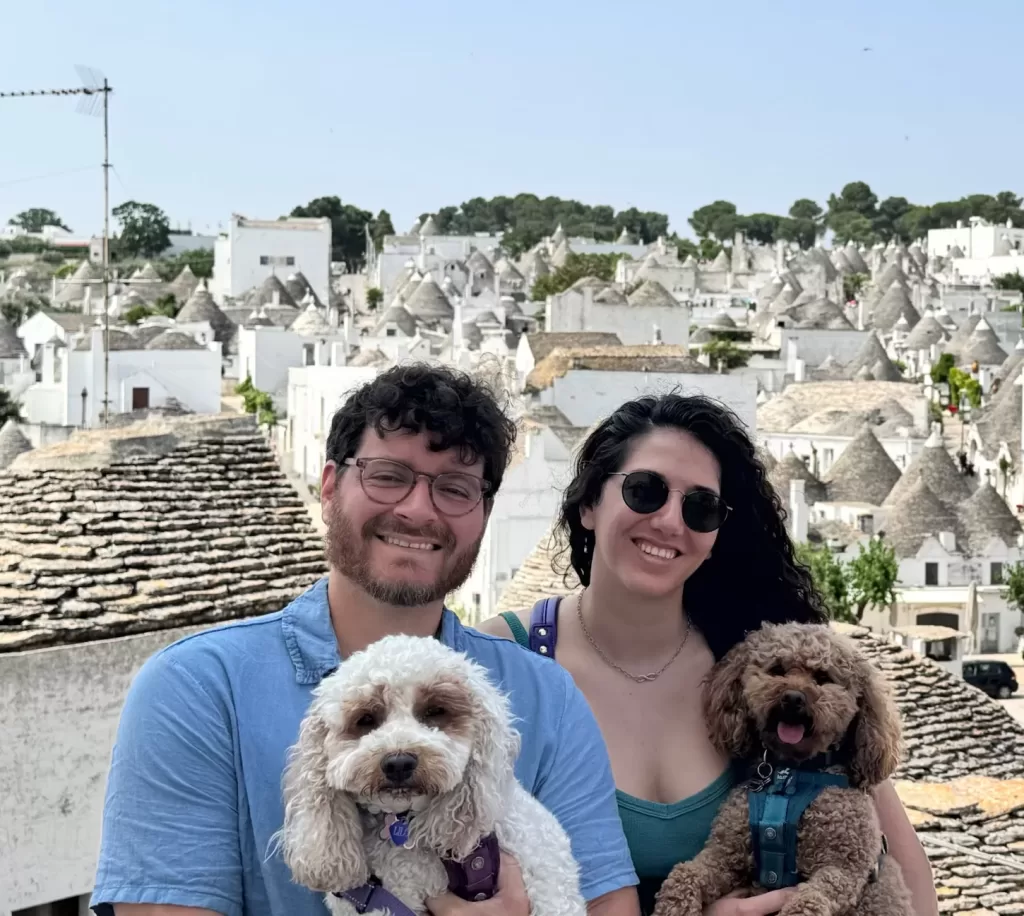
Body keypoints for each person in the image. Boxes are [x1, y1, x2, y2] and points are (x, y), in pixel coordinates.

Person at [90, 363, 641, 916]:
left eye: (454, 488)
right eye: (388, 475)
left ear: (484, 513)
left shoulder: (548, 697)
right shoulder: (196, 690)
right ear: (329, 486)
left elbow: (605, 905)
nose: (417, 510)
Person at [477, 393, 938, 916]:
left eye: (701, 507)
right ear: (588, 504)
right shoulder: (501, 659)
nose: (671, 523)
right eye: (644, 491)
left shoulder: (749, 663)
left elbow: (905, 869)